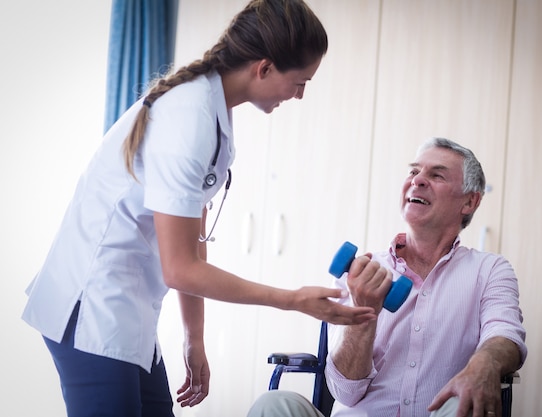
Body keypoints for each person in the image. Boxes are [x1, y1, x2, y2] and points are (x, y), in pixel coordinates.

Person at [21, 1, 377, 416]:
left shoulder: (212, 114)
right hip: (92, 306)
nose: (298, 94)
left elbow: (193, 246)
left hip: (127, 306)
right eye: (300, 82)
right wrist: (291, 299)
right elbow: (181, 268)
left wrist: (195, 337)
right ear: (263, 68)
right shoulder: (188, 117)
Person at [247, 137, 527, 417]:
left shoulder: (490, 270)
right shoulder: (363, 272)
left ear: (469, 201)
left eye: (436, 174)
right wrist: (363, 313)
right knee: (274, 405)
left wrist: (485, 363)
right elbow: (345, 392)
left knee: (461, 408)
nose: (417, 181)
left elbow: (505, 335)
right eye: (414, 171)